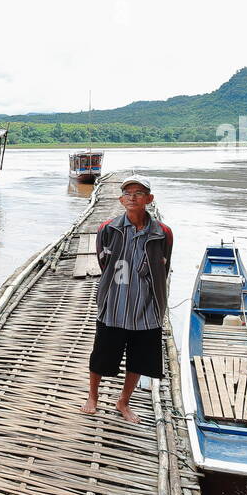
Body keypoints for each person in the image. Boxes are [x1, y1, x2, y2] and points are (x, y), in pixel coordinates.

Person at [80, 175, 173, 425]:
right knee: (101, 354)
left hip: (146, 306)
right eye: (128, 193)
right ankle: (93, 396)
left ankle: (123, 401)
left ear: (149, 199)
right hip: (115, 303)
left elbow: (164, 266)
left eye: (139, 193)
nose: (133, 197)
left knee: (139, 358)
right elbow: (104, 263)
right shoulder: (108, 229)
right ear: (121, 199)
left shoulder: (162, 233)